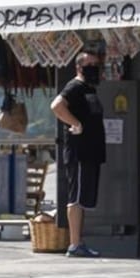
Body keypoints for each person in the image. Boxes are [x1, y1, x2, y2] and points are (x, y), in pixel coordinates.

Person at [50, 51, 106, 258]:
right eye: (89, 64)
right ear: (79, 67)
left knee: (84, 198)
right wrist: (76, 124)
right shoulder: (74, 86)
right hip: (79, 150)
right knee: (76, 197)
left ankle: (79, 241)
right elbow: (56, 105)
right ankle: (74, 244)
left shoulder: (89, 89)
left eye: (96, 63)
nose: (94, 67)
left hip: (91, 150)